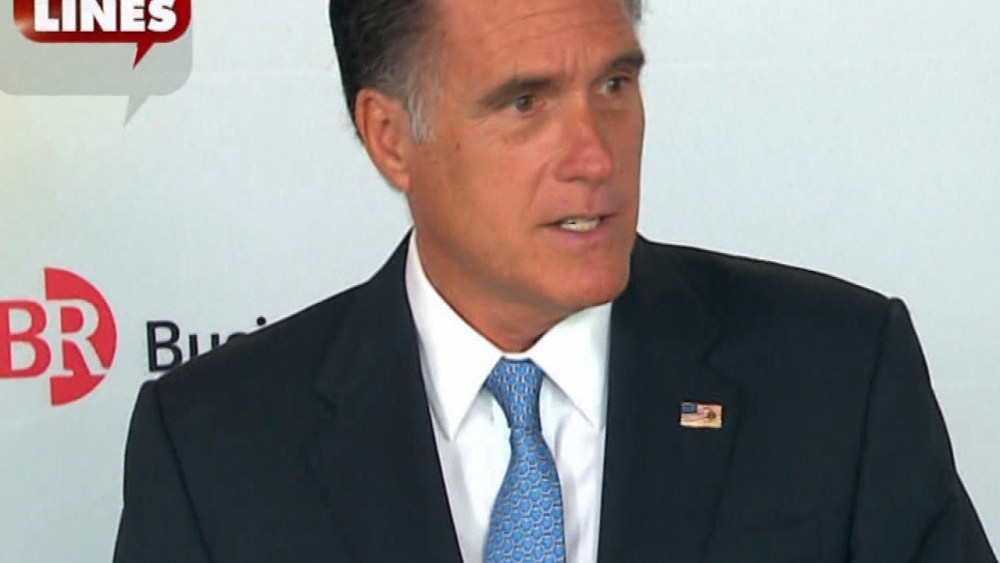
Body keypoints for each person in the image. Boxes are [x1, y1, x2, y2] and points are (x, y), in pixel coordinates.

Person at [113, 0, 996, 561]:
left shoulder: (838, 376)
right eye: (525, 102)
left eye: (613, 84)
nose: (595, 156)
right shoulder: (214, 445)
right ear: (390, 137)